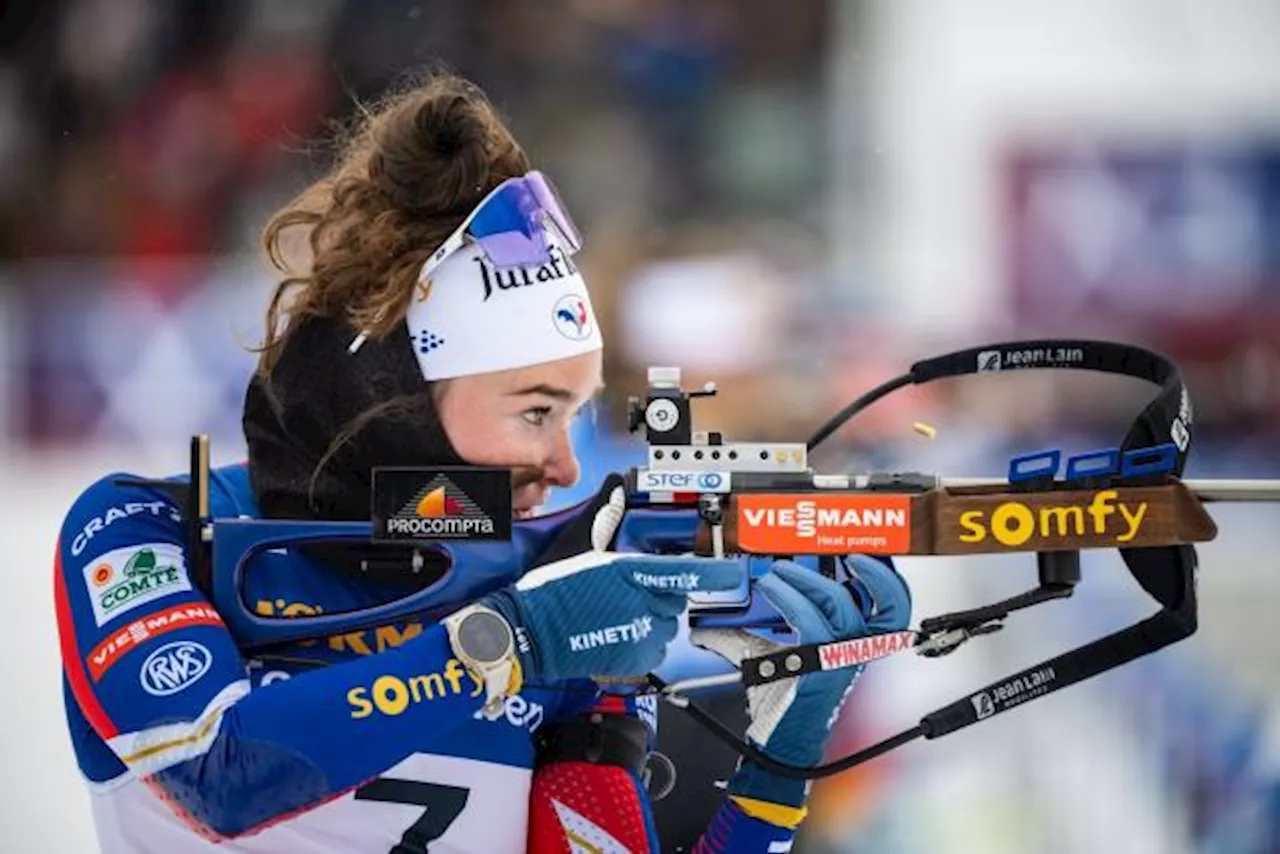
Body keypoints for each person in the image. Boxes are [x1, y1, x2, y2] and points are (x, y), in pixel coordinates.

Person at [54, 71, 911, 853]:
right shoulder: (149, 531)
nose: (565, 466)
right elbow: (219, 774)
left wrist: (779, 770)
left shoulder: (543, 589)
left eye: (575, 415)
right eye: (536, 410)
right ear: (396, 396)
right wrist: (509, 644)